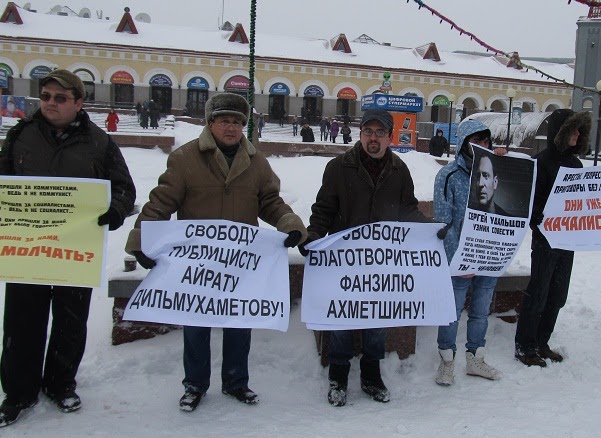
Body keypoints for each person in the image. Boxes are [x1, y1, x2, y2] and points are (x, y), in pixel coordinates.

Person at [124, 93, 307, 412]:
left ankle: (236, 382)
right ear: (210, 123)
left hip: (239, 262)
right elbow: (161, 203)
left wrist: (289, 223)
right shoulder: (185, 159)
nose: (231, 127)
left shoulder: (257, 162)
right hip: (198, 263)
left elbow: (270, 202)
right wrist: (142, 239)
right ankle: (194, 384)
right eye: (224, 120)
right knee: (196, 324)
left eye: (237, 121)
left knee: (239, 322)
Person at [0, 69, 136, 427]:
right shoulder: (20, 135)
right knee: (21, 321)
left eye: (60, 98)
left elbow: (123, 188)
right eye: (46, 96)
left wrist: (115, 210)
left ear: (78, 103)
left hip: (75, 252)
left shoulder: (99, 142)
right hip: (28, 249)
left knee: (70, 321)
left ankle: (60, 384)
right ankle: (18, 392)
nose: (50, 103)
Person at [301, 109, 428, 407]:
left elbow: (408, 209)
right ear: (360, 135)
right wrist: (314, 236)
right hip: (345, 260)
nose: (373, 138)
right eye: (368, 132)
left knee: (376, 321)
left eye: (380, 132)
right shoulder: (338, 167)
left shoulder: (400, 170)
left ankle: (372, 376)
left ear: (389, 137)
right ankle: (339, 376)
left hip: (380, 262)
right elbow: (323, 210)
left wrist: (427, 230)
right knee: (343, 320)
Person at [514, 109, 591, 367]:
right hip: (546, 239)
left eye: (580, 130)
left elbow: (581, 200)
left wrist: (599, 189)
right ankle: (525, 345)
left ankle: (541, 342)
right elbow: (529, 198)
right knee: (539, 292)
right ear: (561, 132)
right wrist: (536, 216)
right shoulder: (542, 161)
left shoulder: (576, 164)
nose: (577, 134)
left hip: (568, 239)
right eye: (573, 130)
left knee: (558, 295)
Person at [433, 120, 507, 386]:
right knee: (451, 312)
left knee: (480, 311)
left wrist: (506, 163)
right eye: (476, 140)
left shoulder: (494, 170)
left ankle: (476, 358)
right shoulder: (449, 175)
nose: (482, 146)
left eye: (486, 141)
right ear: (464, 142)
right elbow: (443, 221)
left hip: (488, 255)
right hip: (460, 260)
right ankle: (447, 361)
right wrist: (459, 259)